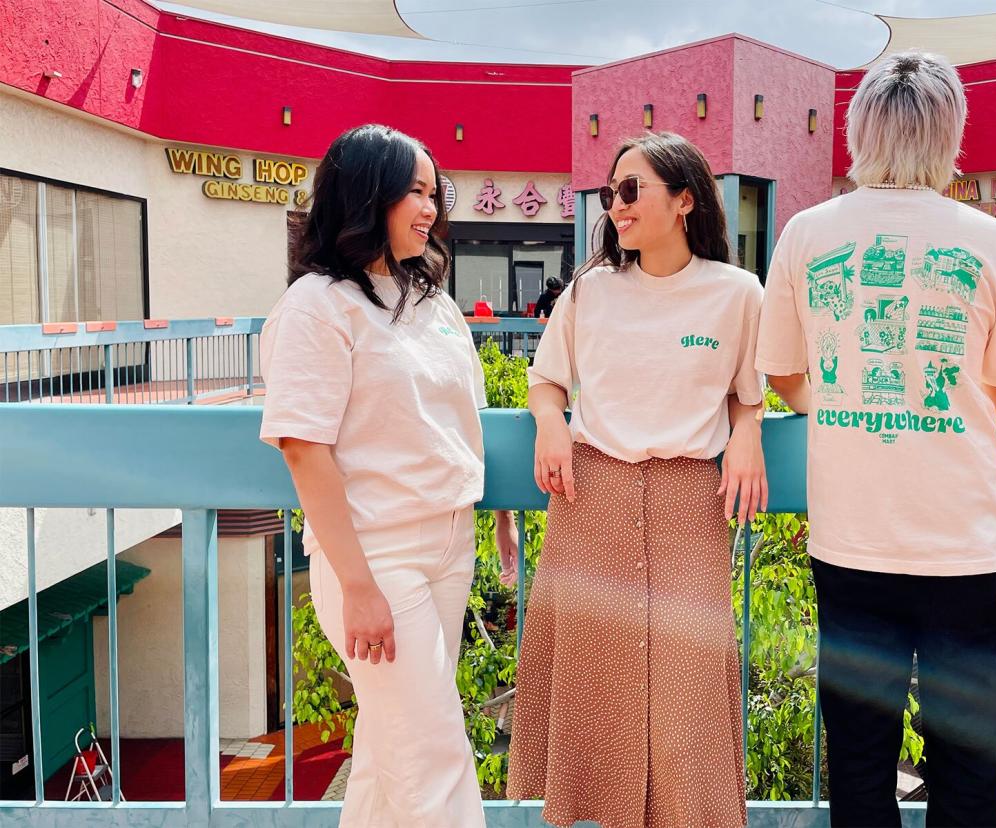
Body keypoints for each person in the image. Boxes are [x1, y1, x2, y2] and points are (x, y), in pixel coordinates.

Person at [756, 53, 996, 828]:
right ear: (952, 132)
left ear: (857, 132)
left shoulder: (807, 233)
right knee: (971, 754)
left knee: (858, 754)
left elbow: (783, 372)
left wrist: (846, 406)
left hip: (851, 544)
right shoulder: (993, 242)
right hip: (968, 547)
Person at [505, 131, 767, 828]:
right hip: (591, 495)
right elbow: (546, 380)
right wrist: (551, 423)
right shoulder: (590, 291)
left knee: (688, 694)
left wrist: (746, 434)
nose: (615, 207)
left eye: (630, 190)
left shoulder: (738, 294)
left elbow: (750, 390)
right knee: (596, 684)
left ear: (684, 200)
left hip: (690, 500)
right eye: (609, 194)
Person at [259, 123, 514, 827]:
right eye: (414, 191)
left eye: (436, 193)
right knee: (434, 760)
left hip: (447, 547)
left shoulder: (429, 300)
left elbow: (463, 417)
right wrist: (358, 585)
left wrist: (497, 523)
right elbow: (303, 449)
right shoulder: (317, 305)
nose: (430, 209)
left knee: (385, 754)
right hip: (376, 556)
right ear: (366, 193)